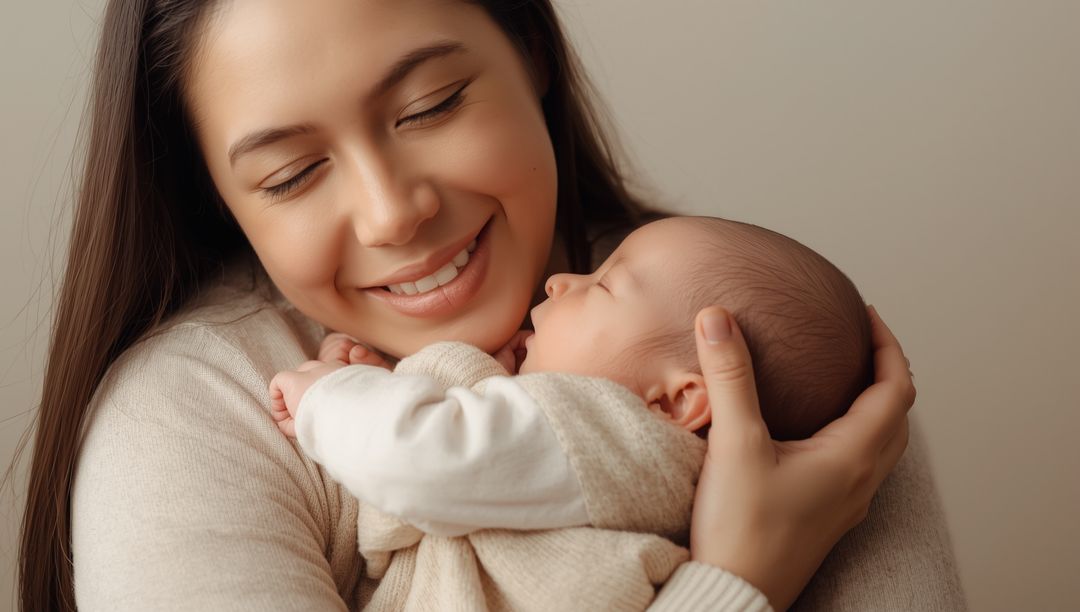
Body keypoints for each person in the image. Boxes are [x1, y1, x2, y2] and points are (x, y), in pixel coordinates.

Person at [16, 1, 929, 611]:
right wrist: (738, 580)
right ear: (217, 197)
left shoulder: (757, 351)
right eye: (291, 174)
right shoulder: (189, 419)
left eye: (430, 105)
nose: (392, 212)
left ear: (529, 48)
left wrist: (332, 399)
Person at [265, 215, 874, 610]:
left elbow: (417, 458)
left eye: (603, 285)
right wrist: (406, 380)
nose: (560, 281)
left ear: (675, 401)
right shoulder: (624, 469)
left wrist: (332, 394)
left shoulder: (618, 439)